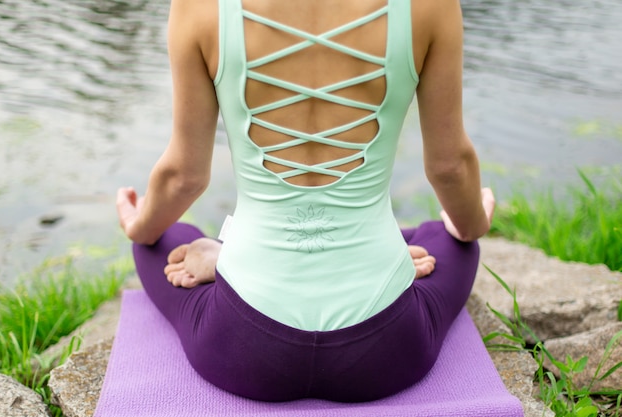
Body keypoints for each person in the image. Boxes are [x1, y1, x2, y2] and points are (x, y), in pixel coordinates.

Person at [116, 0, 495, 403]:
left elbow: (183, 178)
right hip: (385, 350)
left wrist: (138, 226)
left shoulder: (200, 6)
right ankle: (381, 252)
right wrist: (471, 226)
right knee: (448, 238)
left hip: (244, 348)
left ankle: (227, 253)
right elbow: (451, 168)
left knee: (162, 240)